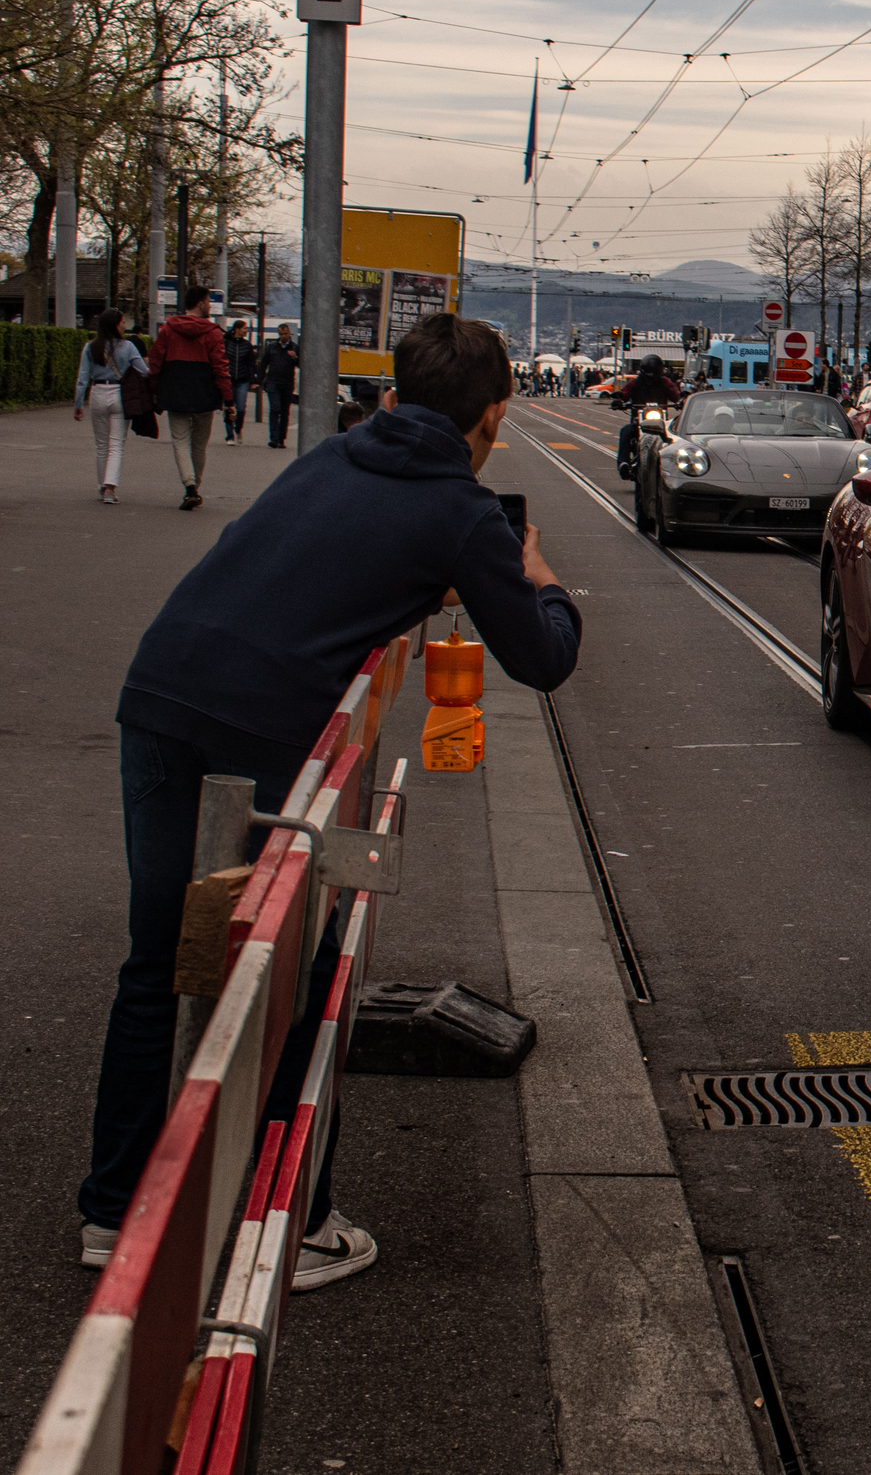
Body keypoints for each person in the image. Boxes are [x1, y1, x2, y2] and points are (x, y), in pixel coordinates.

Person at [83, 312, 579, 1291]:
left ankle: (111, 1210)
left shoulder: (335, 455)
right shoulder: (463, 510)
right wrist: (540, 576)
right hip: (265, 729)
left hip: (163, 691)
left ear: (395, 391)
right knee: (286, 978)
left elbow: (303, 565)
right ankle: (291, 1223)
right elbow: (543, 657)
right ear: (494, 413)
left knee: (158, 961)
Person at [150, 286, 233, 510]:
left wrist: (154, 390)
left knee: (179, 441)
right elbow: (220, 368)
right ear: (199, 303)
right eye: (207, 301)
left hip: (175, 391)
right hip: (204, 393)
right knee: (199, 445)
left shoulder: (168, 330)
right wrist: (229, 399)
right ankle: (195, 487)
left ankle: (189, 487)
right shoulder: (213, 333)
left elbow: (156, 361)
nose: (209, 305)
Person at [73, 312, 145, 504]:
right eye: (122, 323)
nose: (124, 326)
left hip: (97, 392)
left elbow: (82, 379)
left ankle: (102, 486)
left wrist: (78, 405)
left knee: (101, 444)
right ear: (114, 325)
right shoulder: (128, 347)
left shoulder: (90, 347)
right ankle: (110, 489)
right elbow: (144, 372)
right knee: (116, 445)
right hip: (120, 393)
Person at [262, 326, 299, 448]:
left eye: (285, 334)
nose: (283, 336)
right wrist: (259, 380)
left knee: (284, 411)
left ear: (289, 333)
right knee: (275, 408)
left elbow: (303, 364)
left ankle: (282, 438)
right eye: (281, 334)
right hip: (273, 382)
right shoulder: (272, 347)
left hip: (287, 383)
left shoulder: (294, 348)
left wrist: (295, 358)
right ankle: (274, 437)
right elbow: (264, 363)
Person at [221, 322, 255, 442]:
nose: (246, 331)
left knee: (241, 409)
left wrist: (252, 380)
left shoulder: (247, 345)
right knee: (229, 408)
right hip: (228, 379)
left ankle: (238, 428)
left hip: (242, 380)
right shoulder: (227, 343)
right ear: (237, 329)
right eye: (244, 328)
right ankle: (229, 435)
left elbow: (251, 363)